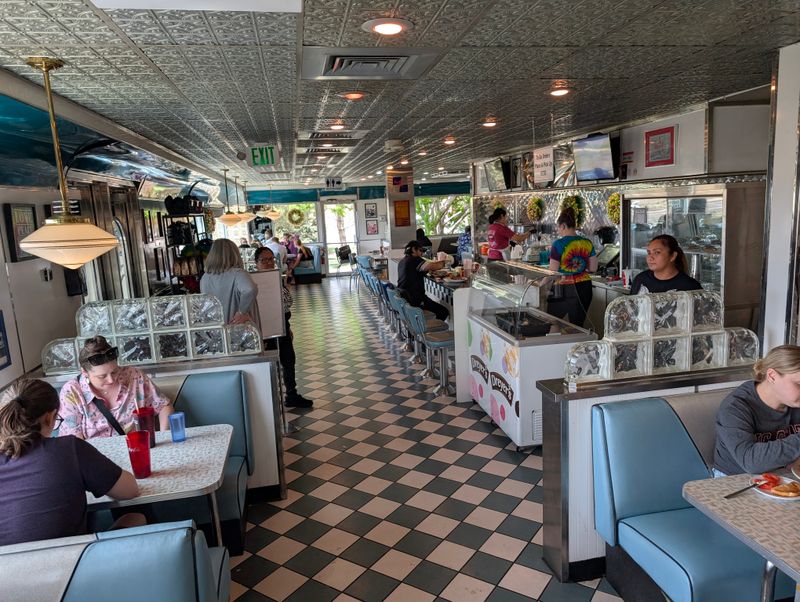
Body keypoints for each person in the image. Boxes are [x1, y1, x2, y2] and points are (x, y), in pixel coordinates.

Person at [0, 379, 143, 546]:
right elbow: (129, 490)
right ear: (49, 417)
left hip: (6, 567)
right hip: (67, 563)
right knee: (136, 517)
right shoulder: (69, 449)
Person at [59, 337, 173, 439]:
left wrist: (163, 437)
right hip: (95, 457)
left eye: (114, 372)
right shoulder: (72, 392)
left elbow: (164, 406)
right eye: (102, 376)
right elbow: (73, 441)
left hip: (137, 450)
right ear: (85, 372)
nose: (111, 380)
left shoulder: (133, 376)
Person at [714, 345, 800, 476]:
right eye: (799, 384)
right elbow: (751, 462)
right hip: (735, 481)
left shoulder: (794, 400)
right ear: (772, 376)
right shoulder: (735, 407)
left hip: (784, 475)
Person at [254, 247, 313, 408]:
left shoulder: (276, 278)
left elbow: (287, 302)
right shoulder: (253, 282)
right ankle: (268, 399)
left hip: (281, 326)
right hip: (264, 330)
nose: (268, 263)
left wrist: (286, 325)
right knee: (269, 365)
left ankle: (291, 394)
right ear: (256, 262)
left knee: (288, 361)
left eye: (270, 259)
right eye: (263, 260)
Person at [548, 208, 597, 326]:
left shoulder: (558, 244)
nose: (558, 230)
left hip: (564, 287)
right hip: (584, 287)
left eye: (559, 227)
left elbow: (552, 272)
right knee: (577, 326)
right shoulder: (587, 243)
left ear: (563, 226)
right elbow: (593, 268)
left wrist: (540, 284)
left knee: (552, 322)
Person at [200, 238, 259, 327]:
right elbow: (250, 289)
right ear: (234, 254)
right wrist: (242, 312)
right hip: (239, 329)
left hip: (216, 329)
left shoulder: (205, 277)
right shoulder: (238, 274)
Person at [630, 234, 702, 294]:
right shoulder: (641, 279)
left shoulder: (690, 287)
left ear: (673, 256)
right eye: (649, 253)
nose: (650, 258)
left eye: (657, 252)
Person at [397, 240, 449, 321]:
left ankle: (423, 328)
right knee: (443, 312)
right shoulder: (414, 260)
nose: (422, 253)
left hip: (405, 298)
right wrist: (445, 261)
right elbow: (434, 266)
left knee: (439, 310)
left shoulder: (402, 261)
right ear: (414, 249)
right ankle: (429, 329)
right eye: (420, 250)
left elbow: (419, 271)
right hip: (415, 299)